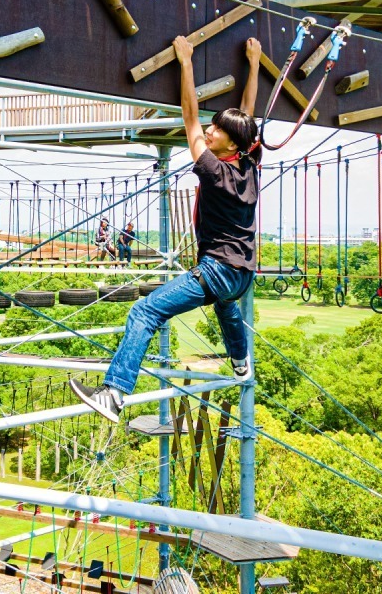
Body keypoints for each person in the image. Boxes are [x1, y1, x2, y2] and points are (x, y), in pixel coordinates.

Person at [70, 36, 263, 422]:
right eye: (212, 127)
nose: (209, 132)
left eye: (216, 132)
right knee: (226, 306)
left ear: (229, 145)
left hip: (217, 270)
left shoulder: (213, 169)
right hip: (243, 273)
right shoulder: (248, 164)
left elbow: (189, 117)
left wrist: (186, 63)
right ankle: (241, 361)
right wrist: (253, 64)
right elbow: (246, 116)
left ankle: (114, 393)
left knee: (144, 313)